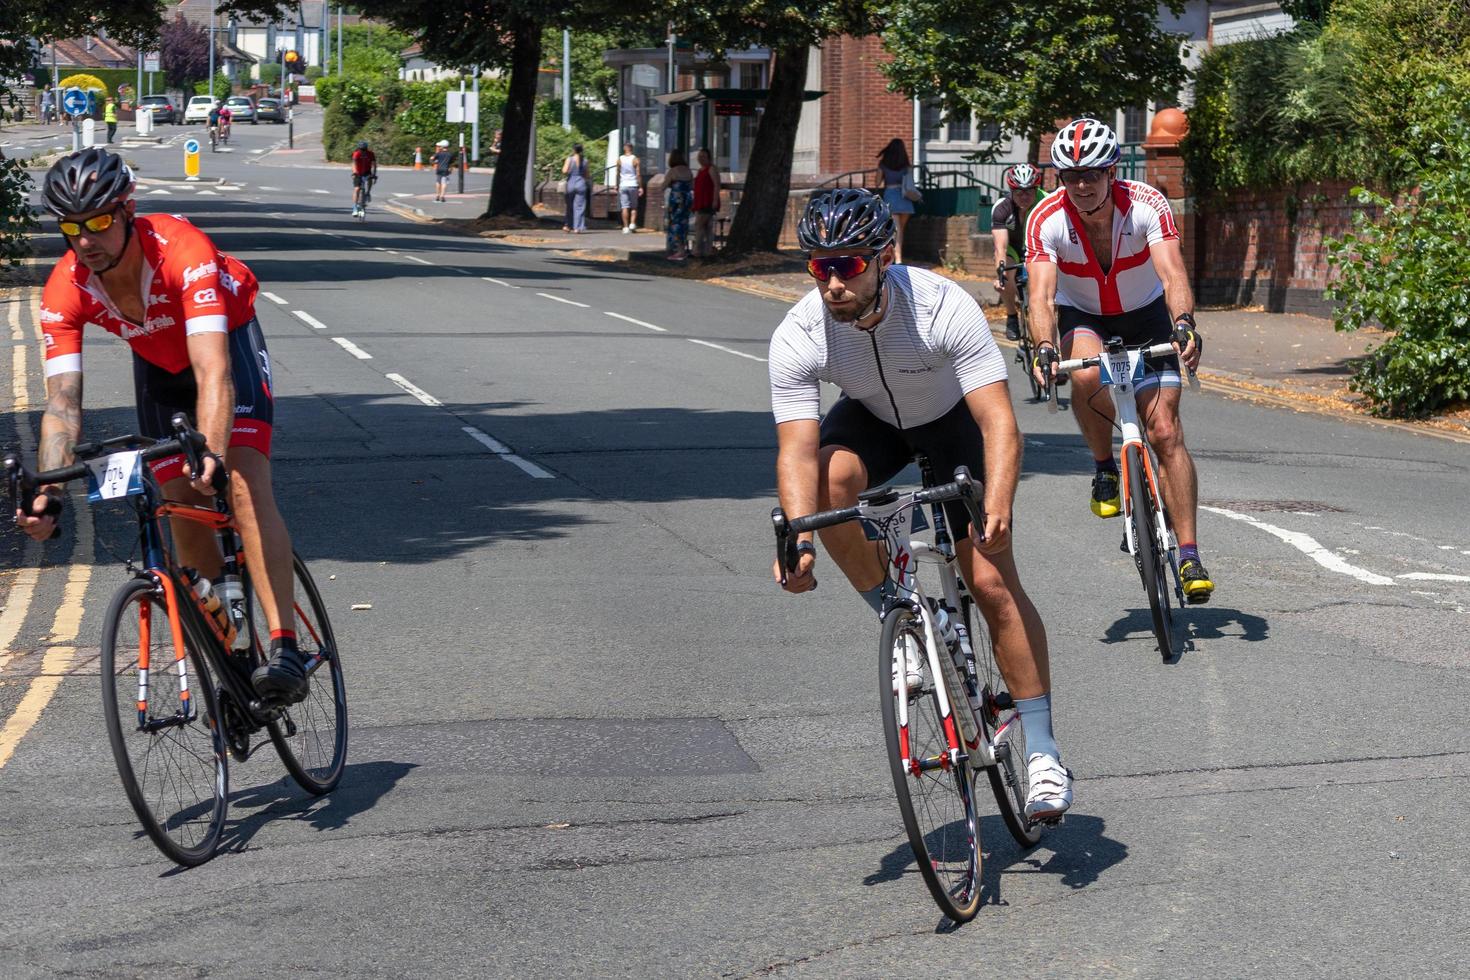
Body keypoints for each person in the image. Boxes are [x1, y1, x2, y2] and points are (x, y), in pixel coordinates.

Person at [769, 188, 1073, 821]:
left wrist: (999, 503)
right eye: (818, 266)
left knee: (990, 581)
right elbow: (796, 451)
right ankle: (895, 616)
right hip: (875, 419)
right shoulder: (801, 331)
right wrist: (798, 539)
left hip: (951, 422)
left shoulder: (940, 306)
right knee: (828, 484)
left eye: (847, 264)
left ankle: (1043, 753)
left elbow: (998, 423)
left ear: (885, 257)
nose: (831, 283)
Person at [18, 148, 310, 703]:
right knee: (177, 497)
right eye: (72, 227)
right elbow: (62, 403)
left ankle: (284, 647)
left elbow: (213, 371)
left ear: (128, 211)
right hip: (158, 364)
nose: (85, 239)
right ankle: (228, 648)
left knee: (241, 482)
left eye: (100, 221)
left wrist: (215, 453)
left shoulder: (182, 250)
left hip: (228, 348)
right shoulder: (65, 288)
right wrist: (49, 489)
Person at [1024, 117, 1213, 602]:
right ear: (1060, 179)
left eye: (1093, 174)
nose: (1082, 186)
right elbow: (1042, 298)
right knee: (1085, 373)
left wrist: (1185, 323)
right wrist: (1044, 349)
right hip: (1084, 315)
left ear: (1113, 172)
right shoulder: (1046, 219)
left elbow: (1172, 274)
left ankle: (1189, 553)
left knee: (1165, 431)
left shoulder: (1147, 204)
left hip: (1148, 314)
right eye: (1071, 176)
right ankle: (1106, 466)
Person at [991, 163, 1043, 341]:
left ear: (1037, 188)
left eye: (1029, 190)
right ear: (1011, 190)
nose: (1024, 196)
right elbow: (1000, 247)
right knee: (1006, 274)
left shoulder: (1046, 203)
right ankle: (1012, 316)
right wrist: (1000, 271)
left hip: (1038, 249)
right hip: (1013, 249)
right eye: (1019, 191)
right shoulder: (1002, 208)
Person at [877, 138, 918, 264]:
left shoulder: (883, 164)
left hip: (890, 195)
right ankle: (898, 257)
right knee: (901, 230)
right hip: (905, 197)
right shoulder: (906, 165)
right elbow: (911, 182)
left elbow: (877, 182)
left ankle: (897, 258)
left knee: (895, 230)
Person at [691, 147, 722, 259]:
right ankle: (707, 250)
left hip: (707, 201)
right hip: (700, 200)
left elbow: (716, 185)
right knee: (707, 227)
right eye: (700, 156)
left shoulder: (711, 169)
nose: (701, 158)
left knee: (699, 225)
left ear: (709, 157)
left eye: (704, 156)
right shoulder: (700, 170)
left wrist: (714, 200)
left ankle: (697, 250)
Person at [664, 150, 693, 261]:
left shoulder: (673, 171)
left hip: (676, 200)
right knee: (684, 223)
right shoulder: (688, 171)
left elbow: (663, 185)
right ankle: (683, 249)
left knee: (675, 223)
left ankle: (679, 250)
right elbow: (692, 186)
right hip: (686, 199)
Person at [562, 142, 590, 233]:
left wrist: (571, 171)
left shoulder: (569, 159)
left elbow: (564, 171)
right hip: (581, 183)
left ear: (574, 150)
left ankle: (568, 226)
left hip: (571, 183)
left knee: (569, 205)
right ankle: (577, 227)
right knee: (580, 206)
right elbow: (587, 175)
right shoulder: (585, 161)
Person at [617, 142, 642, 233]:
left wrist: (617, 184)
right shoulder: (635, 159)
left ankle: (626, 227)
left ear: (624, 148)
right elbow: (638, 174)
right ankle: (632, 224)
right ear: (632, 148)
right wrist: (640, 187)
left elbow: (618, 173)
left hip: (623, 184)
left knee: (624, 207)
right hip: (633, 184)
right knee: (634, 206)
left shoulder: (620, 159)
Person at [351, 139, 377, 216]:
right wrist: (355, 172)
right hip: (358, 173)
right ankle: (355, 207)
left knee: (370, 179)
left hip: (367, 172)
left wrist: (374, 174)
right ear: (359, 149)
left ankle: (368, 192)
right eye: (361, 149)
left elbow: (374, 165)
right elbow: (353, 164)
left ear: (366, 149)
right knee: (357, 189)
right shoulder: (356, 154)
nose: (363, 151)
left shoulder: (371, 154)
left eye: (364, 150)